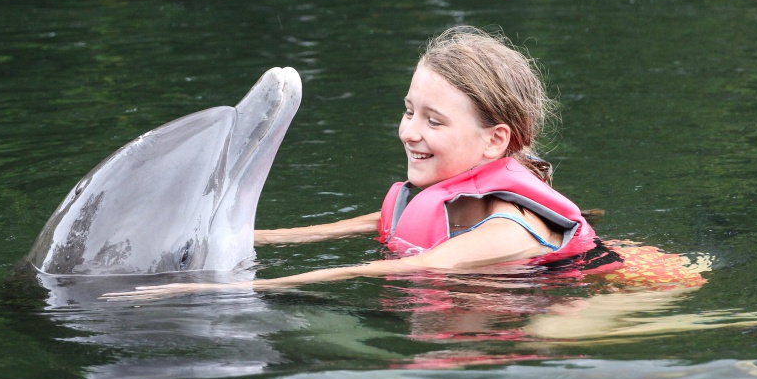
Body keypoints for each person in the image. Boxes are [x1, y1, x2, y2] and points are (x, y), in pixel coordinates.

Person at [104, 26, 626, 302]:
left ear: (495, 142)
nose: (410, 131)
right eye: (408, 110)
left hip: (609, 291)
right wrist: (226, 238)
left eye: (434, 122)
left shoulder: (510, 230)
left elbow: (394, 268)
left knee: (550, 335)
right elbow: (349, 231)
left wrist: (237, 288)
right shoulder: (434, 195)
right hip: (490, 301)